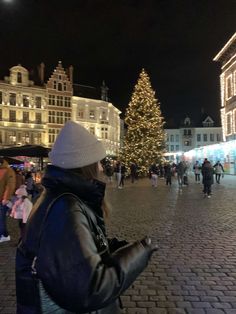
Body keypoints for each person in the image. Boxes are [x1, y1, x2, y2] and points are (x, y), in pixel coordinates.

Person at [15, 121, 158, 314]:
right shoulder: (67, 207)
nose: (101, 167)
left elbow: (72, 248)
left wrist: (112, 246)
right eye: (98, 161)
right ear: (86, 166)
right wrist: (141, 251)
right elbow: (92, 289)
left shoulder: (59, 197)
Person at [0, 157, 16, 243]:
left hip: (2, 199)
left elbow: (10, 186)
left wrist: (5, 198)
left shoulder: (8, 171)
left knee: (1, 218)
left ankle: (4, 235)